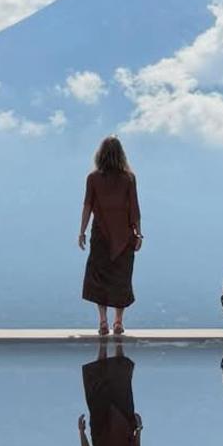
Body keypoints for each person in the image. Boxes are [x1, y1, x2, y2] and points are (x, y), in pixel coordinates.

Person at [78, 135, 142, 337]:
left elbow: (87, 205)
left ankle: (103, 321)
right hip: (124, 236)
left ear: (100, 155)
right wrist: (139, 233)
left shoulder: (93, 178)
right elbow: (134, 208)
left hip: (101, 235)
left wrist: (82, 231)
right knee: (121, 278)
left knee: (100, 278)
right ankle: (118, 321)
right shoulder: (129, 178)